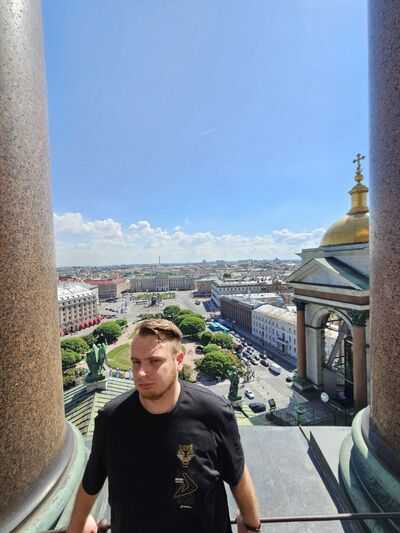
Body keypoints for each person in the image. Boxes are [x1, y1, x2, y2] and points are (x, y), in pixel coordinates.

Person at [67, 319, 260, 533]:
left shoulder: (214, 412)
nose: (141, 373)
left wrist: (252, 527)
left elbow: (237, 475)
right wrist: (77, 524)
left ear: (179, 361)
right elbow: (92, 480)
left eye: (154, 361)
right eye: (136, 362)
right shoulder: (111, 418)